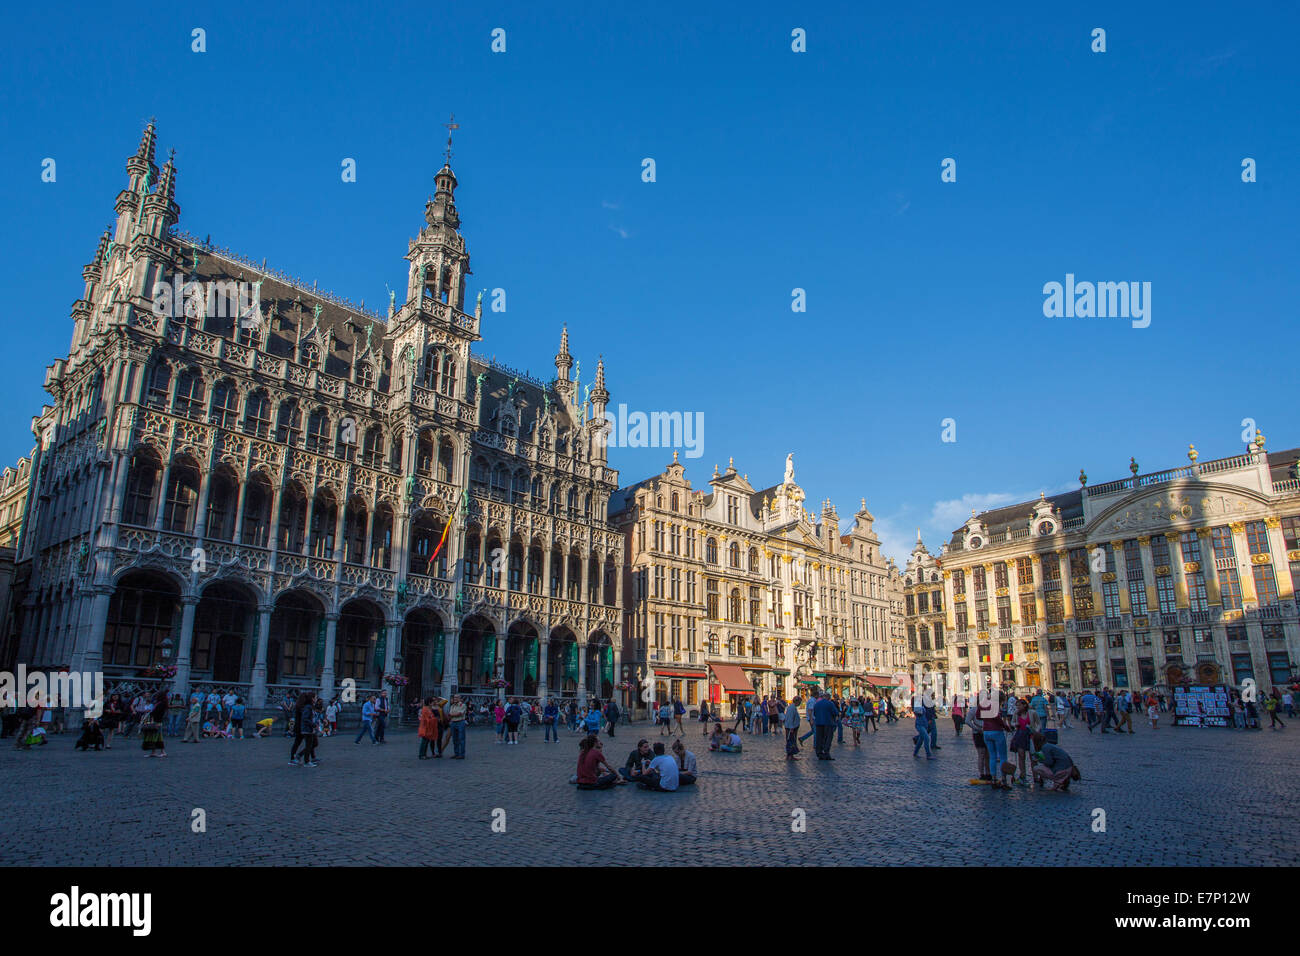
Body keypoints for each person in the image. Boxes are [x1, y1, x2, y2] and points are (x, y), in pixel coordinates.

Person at [979, 692, 1011, 789]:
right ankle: (1004, 780)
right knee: (1002, 756)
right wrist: (1005, 726)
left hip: (986, 732)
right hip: (996, 731)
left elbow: (978, 715)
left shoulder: (983, 703)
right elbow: (996, 717)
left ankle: (993, 779)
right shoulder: (995, 704)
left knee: (992, 756)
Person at [1009, 698, 1032, 785]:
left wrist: (1033, 729)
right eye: (1017, 705)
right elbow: (1012, 722)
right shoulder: (1016, 714)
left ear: (1024, 705)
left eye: (1019, 705)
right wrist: (1015, 725)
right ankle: (1023, 774)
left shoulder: (1031, 713)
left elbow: (1038, 724)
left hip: (1030, 735)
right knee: (1021, 755)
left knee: (1033, 757)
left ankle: (1035, 775)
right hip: (1020, 735)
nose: (1017, 707)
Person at [289, 691, 315, 765]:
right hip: (303, 727)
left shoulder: (299, 706)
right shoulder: (303, 707)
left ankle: (295, 757)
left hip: (300, 726)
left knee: (301, 743)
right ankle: (299, 758)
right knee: (309, 743)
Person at [141, 689, 168, 758]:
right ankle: (160, 751)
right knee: (158, 737)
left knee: (155, 737)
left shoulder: (160, 704)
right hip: (158, 721)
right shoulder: (161, 703)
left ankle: (156, 752)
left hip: (156, 721)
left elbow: (156, 713)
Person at [812, 691, 837, 760]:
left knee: (819, 738)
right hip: (828, 723)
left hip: (819, 723)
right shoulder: (830, 703)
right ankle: (826, 752)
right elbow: (835, 712)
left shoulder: (817, 704)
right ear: (828, 697)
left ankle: (819, 753)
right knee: (827, 738)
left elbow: (814, 713)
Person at [447, 694, 468, 759]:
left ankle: (462, 754)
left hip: (460, 722)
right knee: (454, 739)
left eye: (457, 697)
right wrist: (454, 715)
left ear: (460, 698)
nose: (455, 698)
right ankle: (456, 753)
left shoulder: (463, 705)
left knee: (461, 738)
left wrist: (453, 714)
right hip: (453, 723)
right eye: (454, 697)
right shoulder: (452, 706)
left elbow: (459, 714)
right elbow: (450, 714)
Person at [783, 694, 802, 759]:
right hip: (791, 727)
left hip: (792, 726)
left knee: (792, 740)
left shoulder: (792, 707)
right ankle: (790, 755)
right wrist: (791, 727)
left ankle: (791, 754)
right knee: (790, 740)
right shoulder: (792, 708)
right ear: (796, 701)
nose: (800, 704)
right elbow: (790, 718)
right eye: (799, 702)